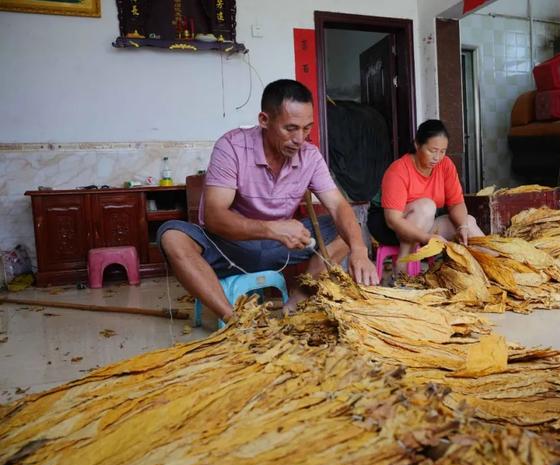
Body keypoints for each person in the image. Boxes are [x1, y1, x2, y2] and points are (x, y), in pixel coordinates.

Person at [158, 79, 378, 321]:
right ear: (264, 120)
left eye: (307, 128)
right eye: (291, 128)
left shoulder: (310, 156)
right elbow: (213, 217)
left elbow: (338, 206)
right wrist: (272, 229)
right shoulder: (232, 146)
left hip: (281, 247)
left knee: (347, 231)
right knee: (172, 236)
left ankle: (297, 301)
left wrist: (359, 250)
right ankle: (232, 319)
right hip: (231, 244)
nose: (300, 139)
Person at [367, 119, 484, 275]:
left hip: (426, 224)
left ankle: (499, 269)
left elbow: (456, 203)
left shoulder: (446, 165)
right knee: (426, 206)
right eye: (432, 150)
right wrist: (426, 237)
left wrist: (462, 226)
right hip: (390, 227)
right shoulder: (399, 170)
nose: (437, 157)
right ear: (417, 145)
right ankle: (403, 272)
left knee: (468, 222)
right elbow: (392, 219)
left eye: (442, 151)